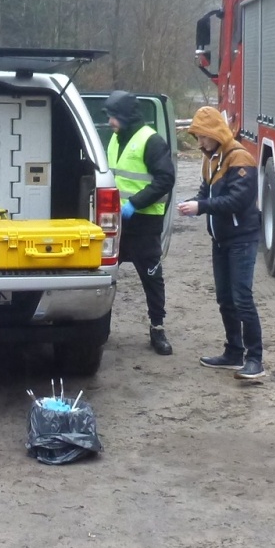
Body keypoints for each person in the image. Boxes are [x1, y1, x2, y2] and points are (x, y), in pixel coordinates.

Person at [178, 107, 264, 382]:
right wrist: (193, 202)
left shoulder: (240, 158)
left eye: (203, 136)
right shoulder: (210, 159)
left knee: (242, 298)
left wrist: (201, 206)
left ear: (216, 133)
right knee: (225, 298)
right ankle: (234, 351)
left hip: (242, 239)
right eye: (198, 137)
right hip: (220, 240)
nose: (200, 142)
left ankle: (255, 358)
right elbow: (206, 191)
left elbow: (238, 200)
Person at [105, 91, 176, 356]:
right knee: (105, 277)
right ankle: (101, 326)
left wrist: (135, 203)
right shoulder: (115, 139)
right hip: (115, 223)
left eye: (113, 116)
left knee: (151, 277)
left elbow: (165, 179)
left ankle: (157, 328)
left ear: (126, 116)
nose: (110, 121)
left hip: (144, 223)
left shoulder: (151, 141)